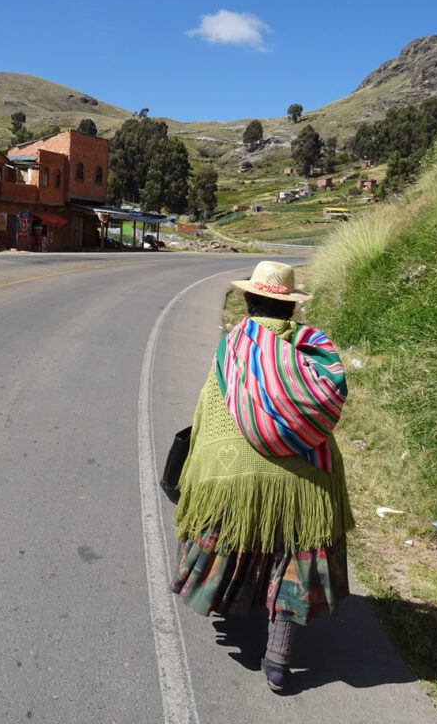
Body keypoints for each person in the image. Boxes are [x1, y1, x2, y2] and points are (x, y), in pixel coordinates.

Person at [170, 260, 354, 694]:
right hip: (308, 478)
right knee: (293, 551)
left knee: (228, 522)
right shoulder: (312, 353)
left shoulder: (232, 347)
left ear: (250, 301)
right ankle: (278, 661)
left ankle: (227, 599)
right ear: (290, 308)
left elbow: (209, 410)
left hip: (235, 475)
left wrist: (198, 465)